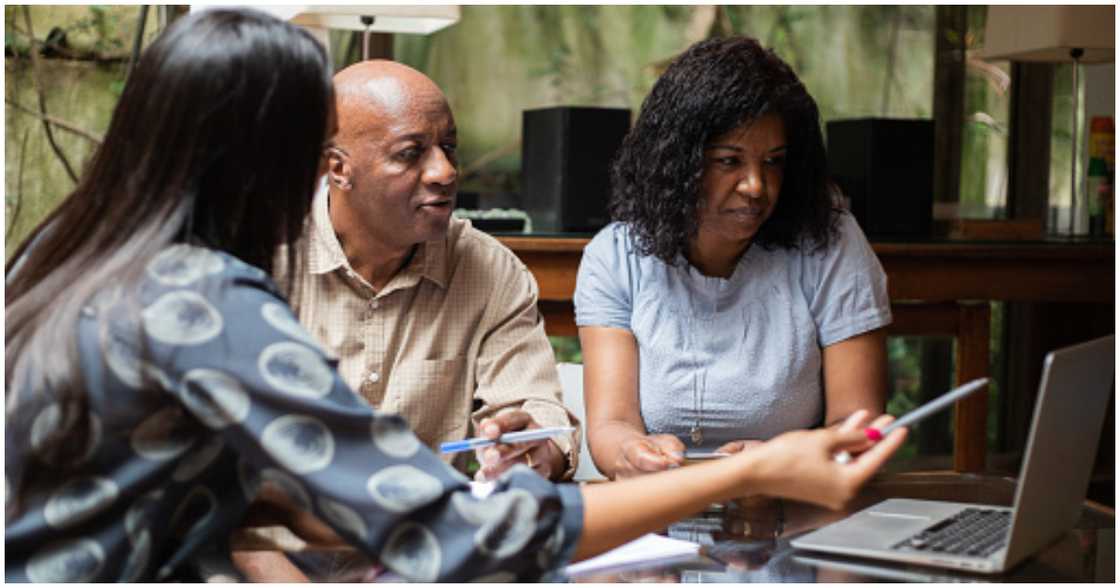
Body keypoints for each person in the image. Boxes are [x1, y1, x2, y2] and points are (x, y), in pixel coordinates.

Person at [4, 11, 906, 582]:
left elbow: (182, 491)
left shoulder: (68, 261)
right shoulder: (205, 301)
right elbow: (445, 536)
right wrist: (746, 472)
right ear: (297, 162)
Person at [574, 36, 893, 479]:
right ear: (677, 163)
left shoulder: (829, 241)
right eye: (729, 161)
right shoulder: (615, 256)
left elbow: (856, 426)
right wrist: (633, 453)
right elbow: (613, 426)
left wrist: (779, 459)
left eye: (774, 162)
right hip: (661, 503)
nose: (757, 187)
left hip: (792, 498)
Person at [277, 60, 577, 482]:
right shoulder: (268, 260)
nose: (446, 172)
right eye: (410, 153)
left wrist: (534, 448)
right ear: (338, 168)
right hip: (282, 538)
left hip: (425, 537)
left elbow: (534, 410)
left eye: (449, 148)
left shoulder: (488, 270)